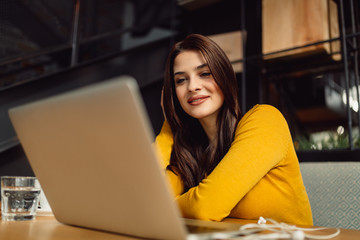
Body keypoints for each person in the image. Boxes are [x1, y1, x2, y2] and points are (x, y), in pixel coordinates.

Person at [154, 34, 313, 226]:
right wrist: (169, 124)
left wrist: (166, 208)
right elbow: (148, 198)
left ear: (224, 77)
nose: (192, 87)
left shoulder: (265, 121)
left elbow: (204, 207)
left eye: (204, 74)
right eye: (180, 80)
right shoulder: (190, 154)